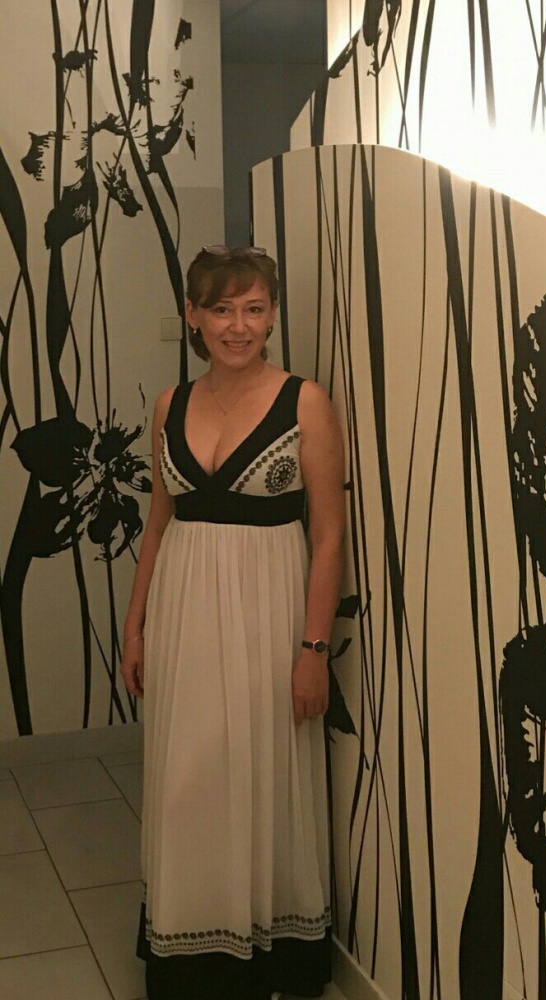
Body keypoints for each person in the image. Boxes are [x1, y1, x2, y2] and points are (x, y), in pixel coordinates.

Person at [121, 245, 345, 1000]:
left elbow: (329, 536)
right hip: (183, 614)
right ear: (193, 316)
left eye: (253, 308)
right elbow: (159, 524)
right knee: (187, 780)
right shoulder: (170, 406)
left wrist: (314, 649)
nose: (238, 326)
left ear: (273, 314)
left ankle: (270, 948)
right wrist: (135, 628)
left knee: (262, 773)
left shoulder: (304, 402)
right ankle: (192, 946)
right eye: (222, 309)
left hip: (269, 616)